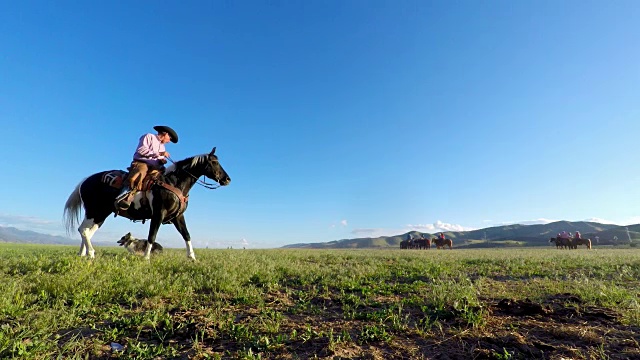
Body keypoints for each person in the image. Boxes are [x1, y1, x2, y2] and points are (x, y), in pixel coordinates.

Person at [116, 125, 179, 210]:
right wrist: (159, 154)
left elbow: (158, 157)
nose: (169, 141)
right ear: (166, 134)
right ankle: (125, 195)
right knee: (140, 172)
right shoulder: (149, 136)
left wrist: (162, 160)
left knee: (165, 177)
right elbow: (141, 150)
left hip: (155, 167)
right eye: (170, 138)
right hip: (142, 163)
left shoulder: (162, 146)